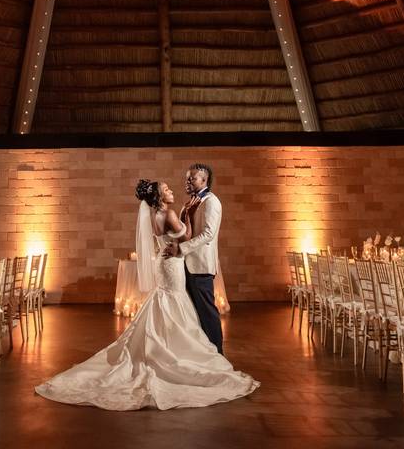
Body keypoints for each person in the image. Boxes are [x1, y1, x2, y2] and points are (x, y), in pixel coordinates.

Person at [34, 178, 258, 410]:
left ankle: (166, 347)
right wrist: (189, 214)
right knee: (174, 302)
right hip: (173, 265)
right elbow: (187, 237)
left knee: (166, 303)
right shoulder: (170, 214)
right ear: (160, 197)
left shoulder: (154, 216)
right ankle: (173, 353)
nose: (171, 191)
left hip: (165, 264)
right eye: (167, 189)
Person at [163, 164, 223, 353]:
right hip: (184, 267)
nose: (187, 181)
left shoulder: (211, 202)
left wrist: (180, 248)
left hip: (201, 266)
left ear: (204, 180)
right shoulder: (189, 203)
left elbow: (208, 234)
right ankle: (204, 354)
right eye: (187, 178)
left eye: (192, 178)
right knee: (193, 315)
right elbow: (184, 230)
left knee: (208, 313)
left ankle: (218, 355)